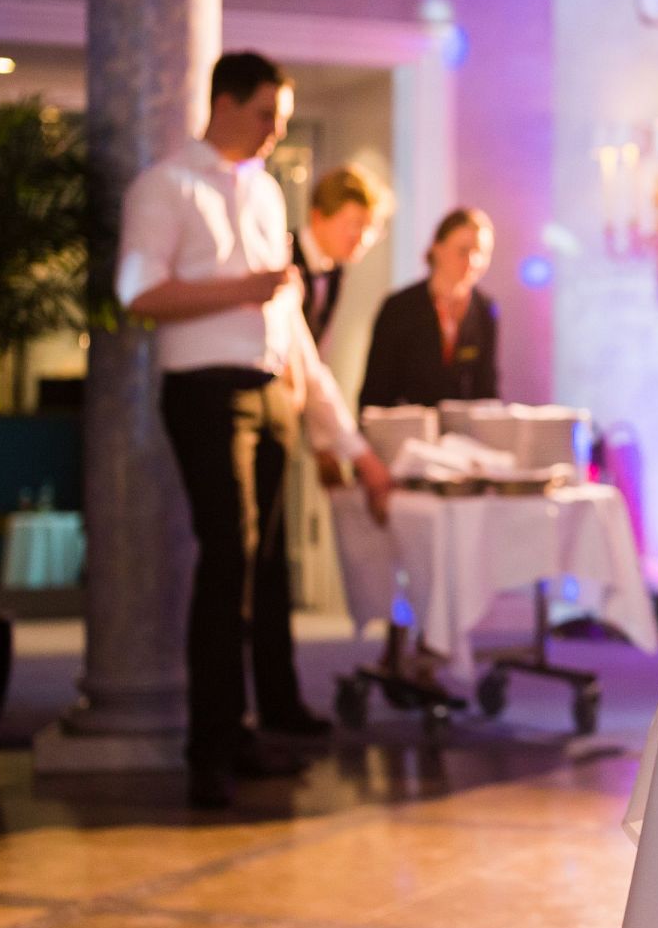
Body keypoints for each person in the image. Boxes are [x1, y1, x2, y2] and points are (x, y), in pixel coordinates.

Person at [115, 51, 394, 809]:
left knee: (266, 570)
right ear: (227, 103)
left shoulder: (269, 193)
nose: (276, 130)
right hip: (206, 391)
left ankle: (245, 731)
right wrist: (243, 289)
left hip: (273, 391)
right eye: (268, 113)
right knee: (228, 561)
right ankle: (207, 749)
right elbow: (136, 291)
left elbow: (288, 320)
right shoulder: (166, 184)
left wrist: (344, 441)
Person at [294, 164, 388, 486]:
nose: (361, 237)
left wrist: (323, 444)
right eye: (353, 224)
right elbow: (304, 362)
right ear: (318, 217)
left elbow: (318, 355)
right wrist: (353, 452)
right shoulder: (285, 259)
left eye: (368, 226)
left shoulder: (334, 273)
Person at [359, 207, 500, 408]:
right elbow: (375, 392)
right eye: (463, 251)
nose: (472, 262)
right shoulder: (398, 307)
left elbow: (487, 391)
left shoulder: (486, 310)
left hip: (462, 435)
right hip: (404, 431)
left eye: (481, 253)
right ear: (437, 249)